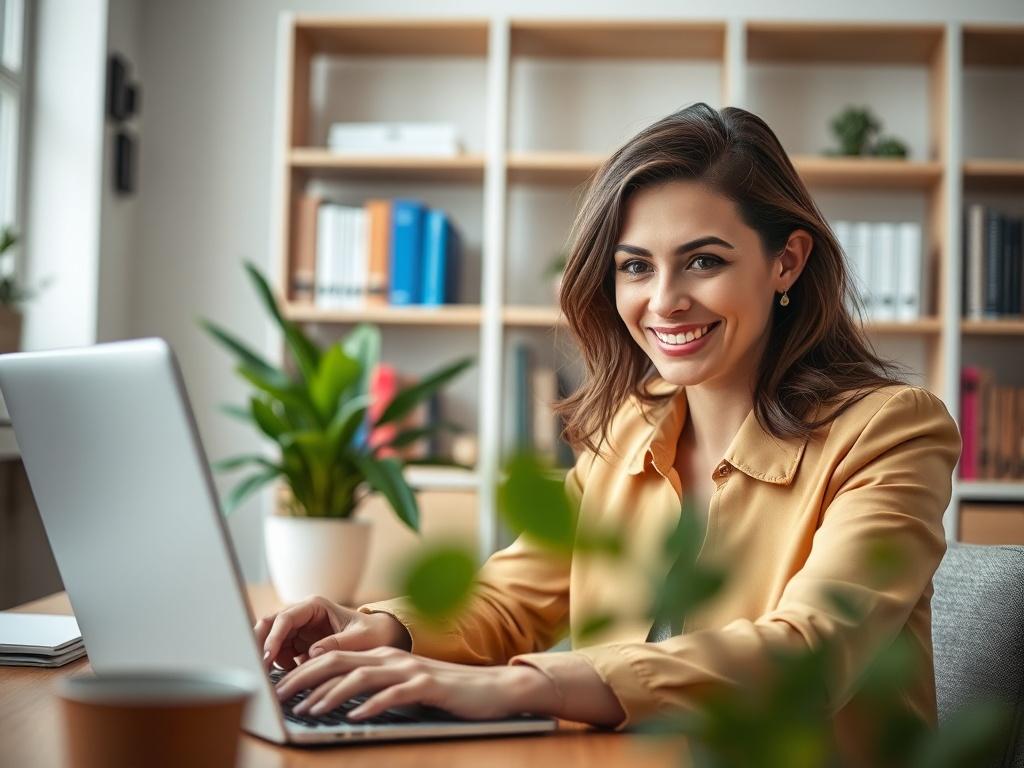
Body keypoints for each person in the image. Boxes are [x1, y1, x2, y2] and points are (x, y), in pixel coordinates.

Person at [257, 103, 961, 745]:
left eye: (704, 262)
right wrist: (384, 627)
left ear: (787, 261)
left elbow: (810, 651)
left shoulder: (892, 431)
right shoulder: (633, 428)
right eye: (635, 267)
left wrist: (520, 686)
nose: (664, 301)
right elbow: (512, 598)